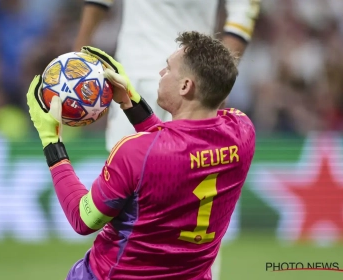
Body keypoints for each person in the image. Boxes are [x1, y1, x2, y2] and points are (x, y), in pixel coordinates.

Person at [27, 31, 255, 279]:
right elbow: (177, 147)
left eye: (168, 68)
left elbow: (84, 219)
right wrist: (130, 102)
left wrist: (51, 140)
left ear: (185, 86)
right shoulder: (242, 131)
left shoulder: (135, 152)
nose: (160, 73)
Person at [74, 0, 261, 152]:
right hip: (194, 82)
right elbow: (241, 19)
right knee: (189, 174)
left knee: (127, 174)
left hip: (136, 72)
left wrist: (79, 52)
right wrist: (218, 82)